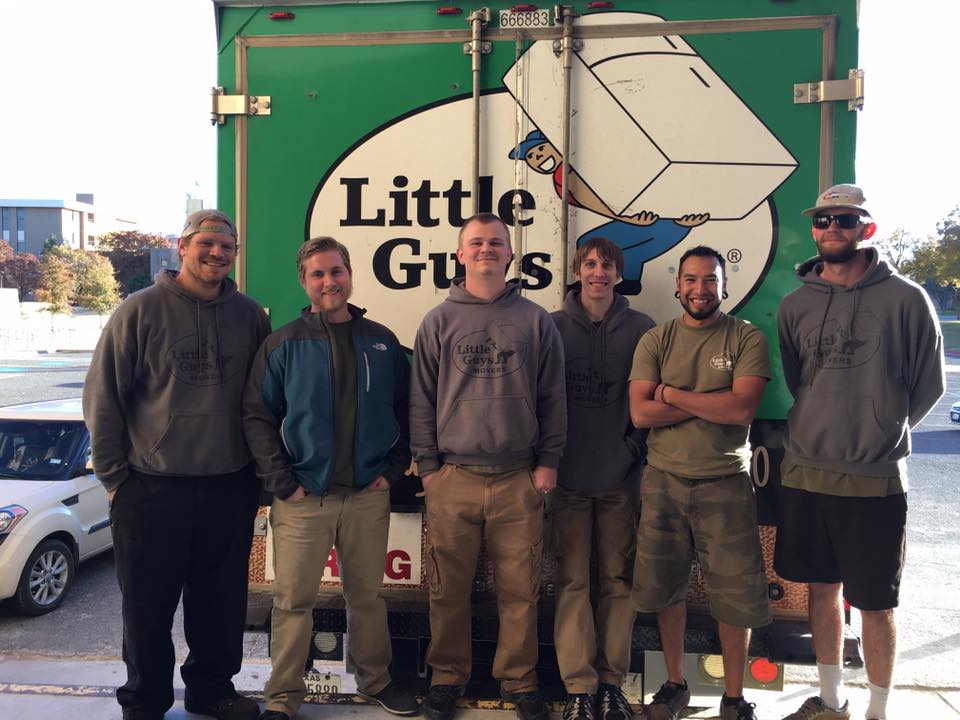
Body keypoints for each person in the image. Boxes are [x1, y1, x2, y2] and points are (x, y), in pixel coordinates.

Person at [83, 209, 271, 720]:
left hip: (228, 487)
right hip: (151, 488)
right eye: (205, 243)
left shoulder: (251, 316)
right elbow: (103, 399)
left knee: (220, 604)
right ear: (182, 247)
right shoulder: (138, 311)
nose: (216, 254)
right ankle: (145, 700)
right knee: (146, 609)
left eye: (226, 247)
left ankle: (212, 691)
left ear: (235, 254)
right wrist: (115, 479)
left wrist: (257, 479)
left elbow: (262, 403)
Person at [774, 185, 945, 720]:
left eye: (845, 220)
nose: (832, 229)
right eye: (823, 220)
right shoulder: (795, 303)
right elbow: (800, 379)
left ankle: (878, 711)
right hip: (807, 470)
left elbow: (928, 387)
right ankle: (831, 702)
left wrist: (881, 429)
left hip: (875, 480)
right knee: (820, 593)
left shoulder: (906, 299)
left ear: (866, 229)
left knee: (875, 603)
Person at [243, 237, 418, 720]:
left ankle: (376, 681)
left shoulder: (381, 341)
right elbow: (257, 416)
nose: (329, 282)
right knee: (293, 602)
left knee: (367, 598)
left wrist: (393, 468)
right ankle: (282, 698)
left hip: (366, 497)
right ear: (304, 281)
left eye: (336, 271)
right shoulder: (283, 344)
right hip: (302, 500)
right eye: (318, 274)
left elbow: (410, 408)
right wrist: (282, 481)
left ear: (350, 274)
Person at [410, 212, 566, 720]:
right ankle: (446, 680)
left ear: (508, 254)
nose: (485, 250)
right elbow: (421, 401)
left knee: (520, 592)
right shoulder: (438, 320)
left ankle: (520, 684)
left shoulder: (535, 320)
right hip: (452, 477)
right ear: (459, 254)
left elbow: (552, 398)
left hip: (519, 477)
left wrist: (547, 463)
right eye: (475, 243)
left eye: (495, 242)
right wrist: (430, 470)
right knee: (446, 591)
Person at [628, 245, 771, 720]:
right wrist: (708, 399)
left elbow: (740, 410)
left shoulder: (746, 338)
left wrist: (669, 392)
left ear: (724, 285)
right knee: (666, 590)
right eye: (691, 279)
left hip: (725, 484)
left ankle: (734, 697)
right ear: (677, 284)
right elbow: (641, 413)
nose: (700, 289)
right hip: (662, 481)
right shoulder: (657, 339)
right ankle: (674, 685)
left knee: (734, 596)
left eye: (710, 280)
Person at [549, 237, 655, 720]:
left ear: (619, 272)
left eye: (606, 264)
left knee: (618, 580)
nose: (598, 272)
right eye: (589, 264)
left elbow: (652, 402)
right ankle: (578, 688)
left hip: (620, 479)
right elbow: (538, 403)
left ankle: (611, 684)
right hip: (566, 479)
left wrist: (632, 451)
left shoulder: (642, 329)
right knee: (571, 581)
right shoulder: (550, 328)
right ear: (577, 271)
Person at [509, 129, 708, 294]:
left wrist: (625, 218)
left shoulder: (568, 170)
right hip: (656, 218)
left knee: (587, 243)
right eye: (532, 156)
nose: (539, 157)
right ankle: (630, 282)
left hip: (658, 218)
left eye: (541, 149)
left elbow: (593, 199)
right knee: (626, 250)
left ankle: (621, 282)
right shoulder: (563, 172)